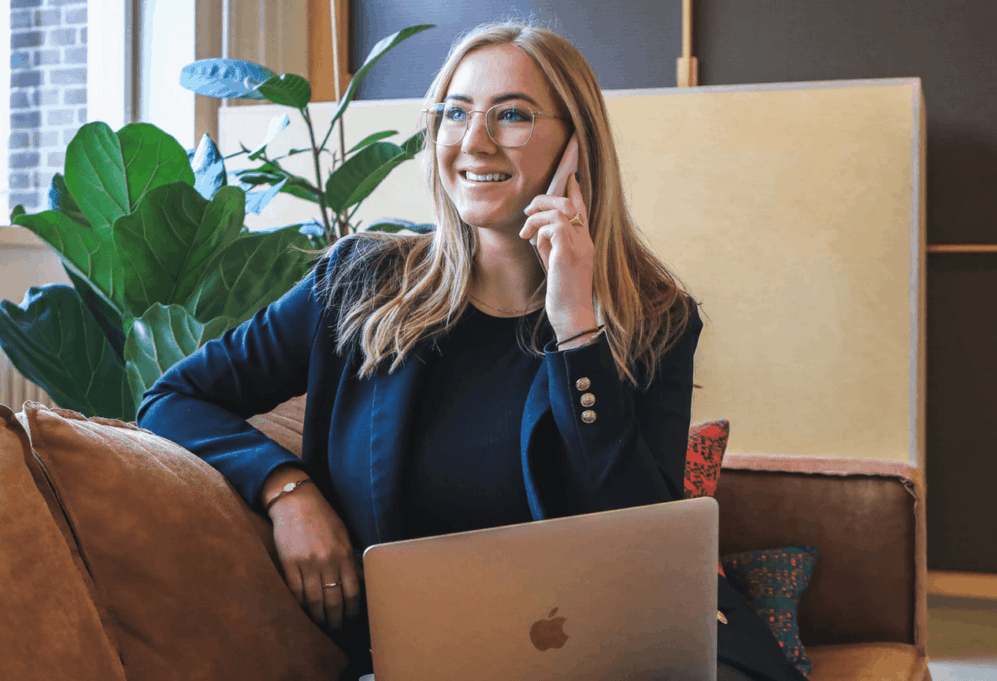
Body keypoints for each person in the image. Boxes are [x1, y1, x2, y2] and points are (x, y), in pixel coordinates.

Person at [137, 18, 804, 681]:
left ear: (577, 146)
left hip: (629, 656)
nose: (475, 141)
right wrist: (287, 488)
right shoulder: (360, 283)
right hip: (437, 660)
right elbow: (171, 398)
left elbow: (646, 548)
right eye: (456, 112)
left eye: (510, 115)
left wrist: (576, 328)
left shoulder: (655, 318)